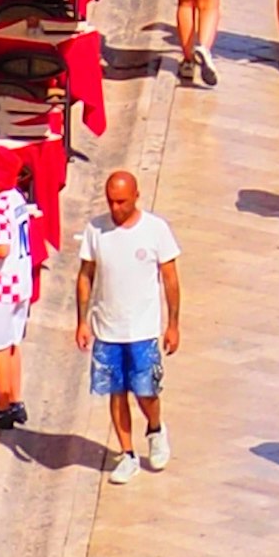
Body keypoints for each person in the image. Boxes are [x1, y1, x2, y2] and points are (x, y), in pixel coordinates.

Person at [73, 171, 182, 474]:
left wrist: (172, 324)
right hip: (107, 327)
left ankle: (156, 429)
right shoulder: (96, 229)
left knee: (146, 390)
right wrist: (82, 320)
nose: (116, 208)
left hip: (142, 328)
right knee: (116, 390)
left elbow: (171, 279)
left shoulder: (156, 230)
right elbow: (85, 275)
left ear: (136, 196)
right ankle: (128, 453)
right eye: (111, 201)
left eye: (121, 201)